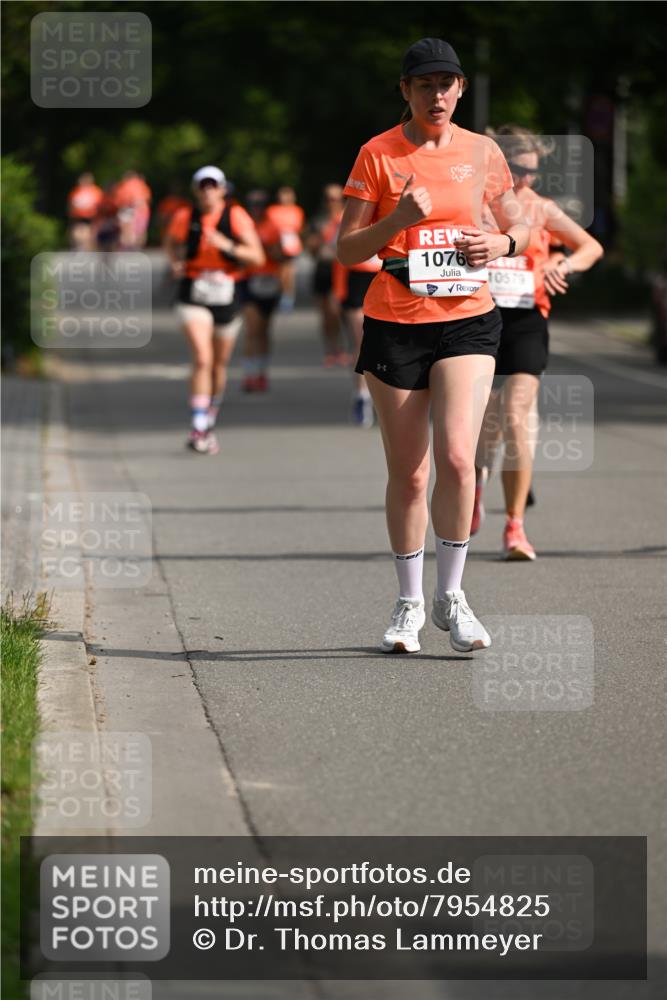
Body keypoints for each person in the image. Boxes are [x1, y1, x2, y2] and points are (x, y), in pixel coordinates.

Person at [337, 38, 529, 654]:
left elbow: (519, 220)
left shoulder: (482, 151)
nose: (437, 94)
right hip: (396, 320)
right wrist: (396, 220)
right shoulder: (378, 154)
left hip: (468, 318)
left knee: (455, 458)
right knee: (411, 474)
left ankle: (453, 595)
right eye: (425, 85)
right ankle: (409, 602)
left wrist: (503, 246)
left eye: (447, 84)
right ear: (406, 91)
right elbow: (346, 250)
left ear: (461, 89)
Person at [473, 125, 603, 559]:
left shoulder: (542, 210)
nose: (526, 178)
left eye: (533, 170)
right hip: (477, 319)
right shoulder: (475, 205)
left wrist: (564, 263)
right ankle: (474, 488)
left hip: (528, 320)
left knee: (514, 417)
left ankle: (515, 528)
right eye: (518, 169)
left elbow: (590, 247)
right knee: (480, 429)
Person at [163, 165, 264, 454]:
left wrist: (227, 246)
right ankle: (197, 424)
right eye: (202, 185)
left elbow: (256, 256)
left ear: (222, 189)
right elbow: (170, 243)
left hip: (227, 292)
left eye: (213, 185)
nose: (208, 191)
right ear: (195, 190)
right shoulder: (185, 217)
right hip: (193, 291)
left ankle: (209, 419)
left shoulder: (236, 216)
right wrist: (174, 262)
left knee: (219, 364)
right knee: (202, 358)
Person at [239, 189, 285, 392]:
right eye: (253, 204)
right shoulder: (243, 225)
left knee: (264, 331)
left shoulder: (272, 226)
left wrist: (265, 247)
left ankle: (261, 372)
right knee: (252, 328)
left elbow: (281, 255)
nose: (256, 208)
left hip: (269, 280)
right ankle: (249, 374)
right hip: (248, 279)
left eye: (260, 204)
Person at [332, 251, 382, 427]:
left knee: (383, 345)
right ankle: (362, 396)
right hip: (356, 280)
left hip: (386, 276)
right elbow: (341, 254)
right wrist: (338, 292)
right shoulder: (350, 222)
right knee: (362, 340)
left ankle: (384, 395)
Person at [307, 184, 349, 367]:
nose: (332, 202)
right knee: (326, 314)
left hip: (343, 271)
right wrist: (317, 244)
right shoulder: (319, 221)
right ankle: (331, 348)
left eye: (336, 198)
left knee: (337, 310)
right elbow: (310, 249)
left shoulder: (348, 218)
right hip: (323, 270)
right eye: (328, 198)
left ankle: (344, 348)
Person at [267, 186, 305, 310]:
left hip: (291, 244)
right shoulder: (272, 210)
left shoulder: (297, 211)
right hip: (277, 244)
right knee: (280, 270)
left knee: (289, 269)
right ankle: (282, 292)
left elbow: (298, 228)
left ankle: (288, 295)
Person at [113, 170, 152, 249]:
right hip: (142, 210)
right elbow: (147, 198)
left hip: (127, 208)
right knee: (140, 230)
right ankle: (137, 246)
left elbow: (118, 200)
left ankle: (128, 245)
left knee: (126, 229)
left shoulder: (124, 185)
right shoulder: (142, 185)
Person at [66, 172, 104, 250]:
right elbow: (71, 204)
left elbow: (101, 205)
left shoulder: (95, 191)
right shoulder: (76, 191)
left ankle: (88, 250)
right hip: (78, 218)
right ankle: (78, 248)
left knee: (89, 235)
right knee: (77, 234)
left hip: (91, 218)